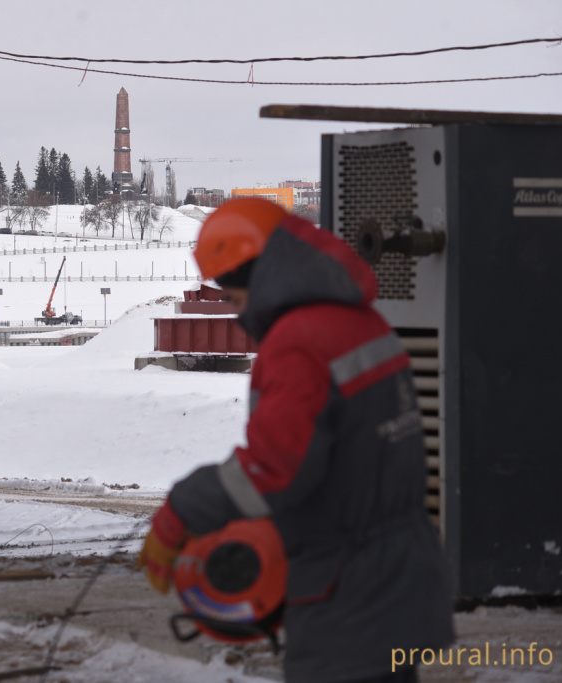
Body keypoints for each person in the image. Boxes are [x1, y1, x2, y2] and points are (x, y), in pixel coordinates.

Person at [139, 198, 454, 683]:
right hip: (400, 574)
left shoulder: (297, 342)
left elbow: (274, 470)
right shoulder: (359, 319)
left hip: (348, 595)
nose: (237, 315)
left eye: (232, 298)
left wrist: (181, 510)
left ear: (255, 277)